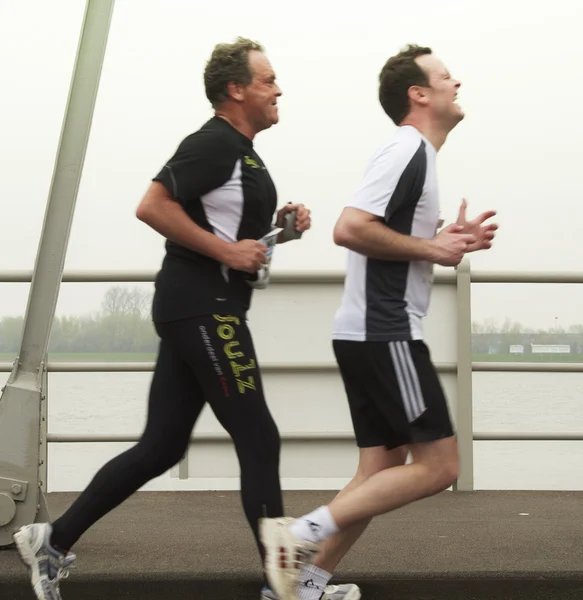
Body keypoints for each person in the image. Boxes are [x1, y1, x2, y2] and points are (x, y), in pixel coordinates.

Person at [12, 36, 358, 600]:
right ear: (235, 89)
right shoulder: (213, 143)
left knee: (162, 445)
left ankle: (51, 541)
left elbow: (228, 235)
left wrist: (276, 230)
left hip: (195, 306)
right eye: (267, 80)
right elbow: (152, 205)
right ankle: (287, 589)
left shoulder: (241, 152)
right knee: (259, 437)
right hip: (206, 309)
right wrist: (227, 253)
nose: (278, 89)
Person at [259, 44, 498, 600]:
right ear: (418, 94)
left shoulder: (419, 157)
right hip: (385, 330)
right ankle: (296, 538)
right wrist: (431, 248)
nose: (455, 82)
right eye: (444, 76)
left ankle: (301, 587)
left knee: (377, 476)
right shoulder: (406, 150)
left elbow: (397, 241)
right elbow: (349, 228)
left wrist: (445, 243)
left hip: (367, 330)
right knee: (440, 466)